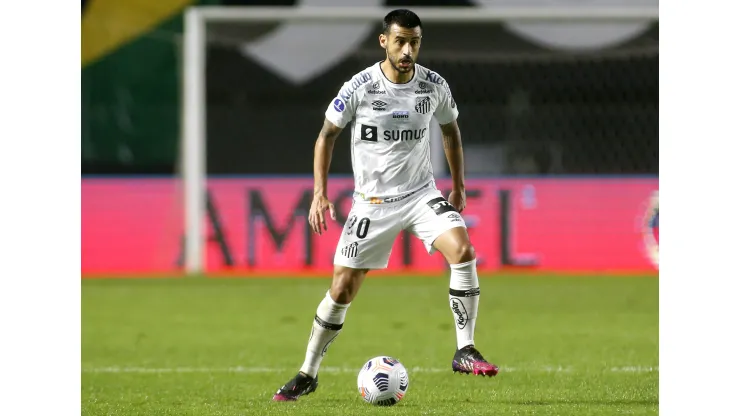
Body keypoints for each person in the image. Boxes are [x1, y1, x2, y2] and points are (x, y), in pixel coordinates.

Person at [273, 9, 499, 402]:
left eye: (414, 41)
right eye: (400, 41)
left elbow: (451, 131)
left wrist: (458, 186)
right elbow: (326, 136)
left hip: (420, 195)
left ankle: (465, 349)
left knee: (463, 250)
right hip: (372, 204)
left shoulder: (433, 86)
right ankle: (307, 372)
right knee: (342, 289)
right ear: (384, 42)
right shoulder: (359, 87)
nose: (408, 49)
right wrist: (319, 192)